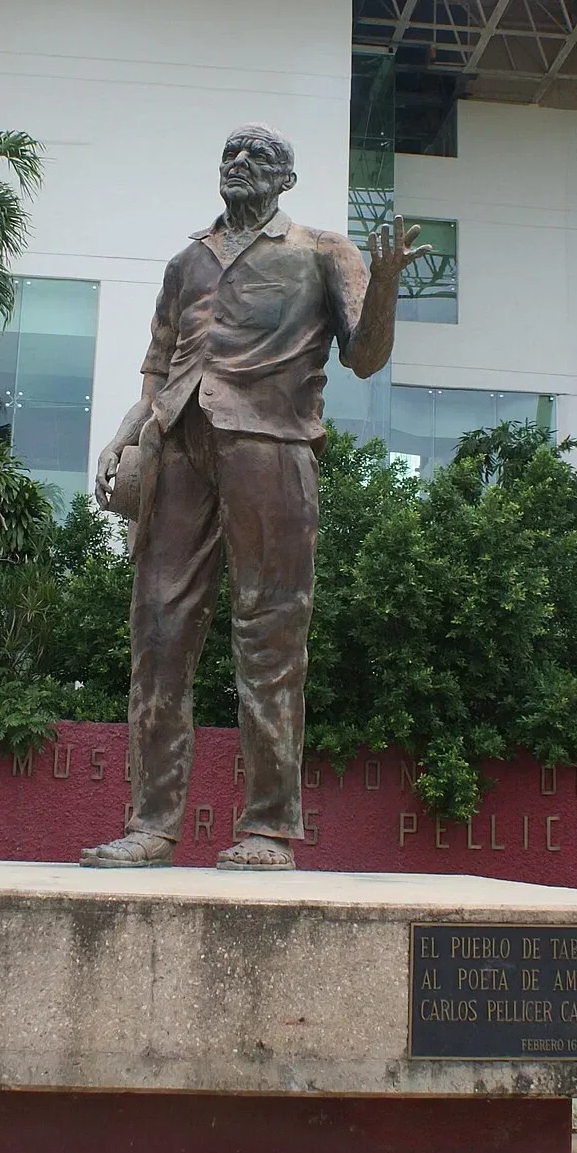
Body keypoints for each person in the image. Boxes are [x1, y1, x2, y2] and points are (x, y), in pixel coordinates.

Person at [80, 123, 422, 870]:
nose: (240, 164)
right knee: (158, 635)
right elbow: (160, 363)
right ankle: (151, 825)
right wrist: (123, 436)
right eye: (232, 154)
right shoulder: (186, 260)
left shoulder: (321, 251)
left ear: (286, 179)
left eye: (259, 157)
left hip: (271, 447)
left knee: (270, 636)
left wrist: (388, 282)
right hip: (177, 445)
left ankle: (268, 829)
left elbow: (364, 355)